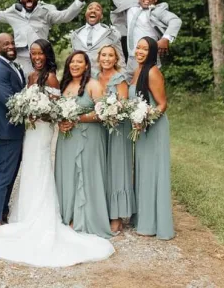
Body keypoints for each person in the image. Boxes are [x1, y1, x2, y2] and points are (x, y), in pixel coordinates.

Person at [0, 40, 114, 267]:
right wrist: (28, 112)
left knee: (39, 165)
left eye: (40, 53)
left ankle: (41, 213)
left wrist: (39, 114)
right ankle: (25, 212)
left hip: (41, 131)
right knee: (29, 168)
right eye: (33, 53)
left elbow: (55, 109)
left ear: (47, 54)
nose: (37, 57)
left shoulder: (50, 77)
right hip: (30, 129)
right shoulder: (30, 76)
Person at [55, 51, 113, 239]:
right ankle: (69, 215)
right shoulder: (64, 85)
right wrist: (61, 122)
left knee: (86, 176)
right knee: (69, 175)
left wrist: (78, 118)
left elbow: (105, 113)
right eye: (72, 62)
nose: (75, 65)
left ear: (87, 65)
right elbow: (58, 111)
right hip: (67, 138)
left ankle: (86, 219)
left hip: (89, 138)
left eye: (79, 62)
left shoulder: (93, 85)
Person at [100, 0, 182, 79]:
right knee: (129, 88)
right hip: (132, 57)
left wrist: (166, 39)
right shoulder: (131, 7)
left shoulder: (158, 10)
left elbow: (175, 21)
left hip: (150, 56)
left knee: (149, 86)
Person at [130, 37, 174, 240]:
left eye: (145, 49)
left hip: (153, 127)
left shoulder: (153, 71)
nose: (140, 51)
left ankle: (156, 222)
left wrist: (145, 119)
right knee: (143, 171)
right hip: (142, 127)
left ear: (152, 52)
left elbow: (162, 104)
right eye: (138, 47)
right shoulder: (137, 70)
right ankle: (144, 218)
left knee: (152, 172)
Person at [0, 33, 26, 230]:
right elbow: (9, 100)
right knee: (4, 174)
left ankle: (2, 212)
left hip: (16, 130)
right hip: (6, 130)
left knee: (10, 173)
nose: (10, 46)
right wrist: (32, 108)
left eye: (12, 42)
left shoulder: (12, 65)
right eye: (5, 44)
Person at [97, 45, 135, 234]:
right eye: (103, 55)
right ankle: (104, 210)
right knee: (103, 169)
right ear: (98, 58)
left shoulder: (120, 79)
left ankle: (117, 216)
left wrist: (111, 111)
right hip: (100, 129)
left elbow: (124, 104)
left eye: (110, 55)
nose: (106, 58)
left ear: (116, 59)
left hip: (118, 128)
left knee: (117, 168)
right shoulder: (95, 77)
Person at [70, 1, 127, 78]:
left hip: (104, 82)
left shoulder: (112, 34)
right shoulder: (75, 35)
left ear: (101, 16)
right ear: (86, 13)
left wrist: (123, 79)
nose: (93, 10)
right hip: (81, 82)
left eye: (97, 9)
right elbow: (73, 60)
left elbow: (120, 61)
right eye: (90, 8)